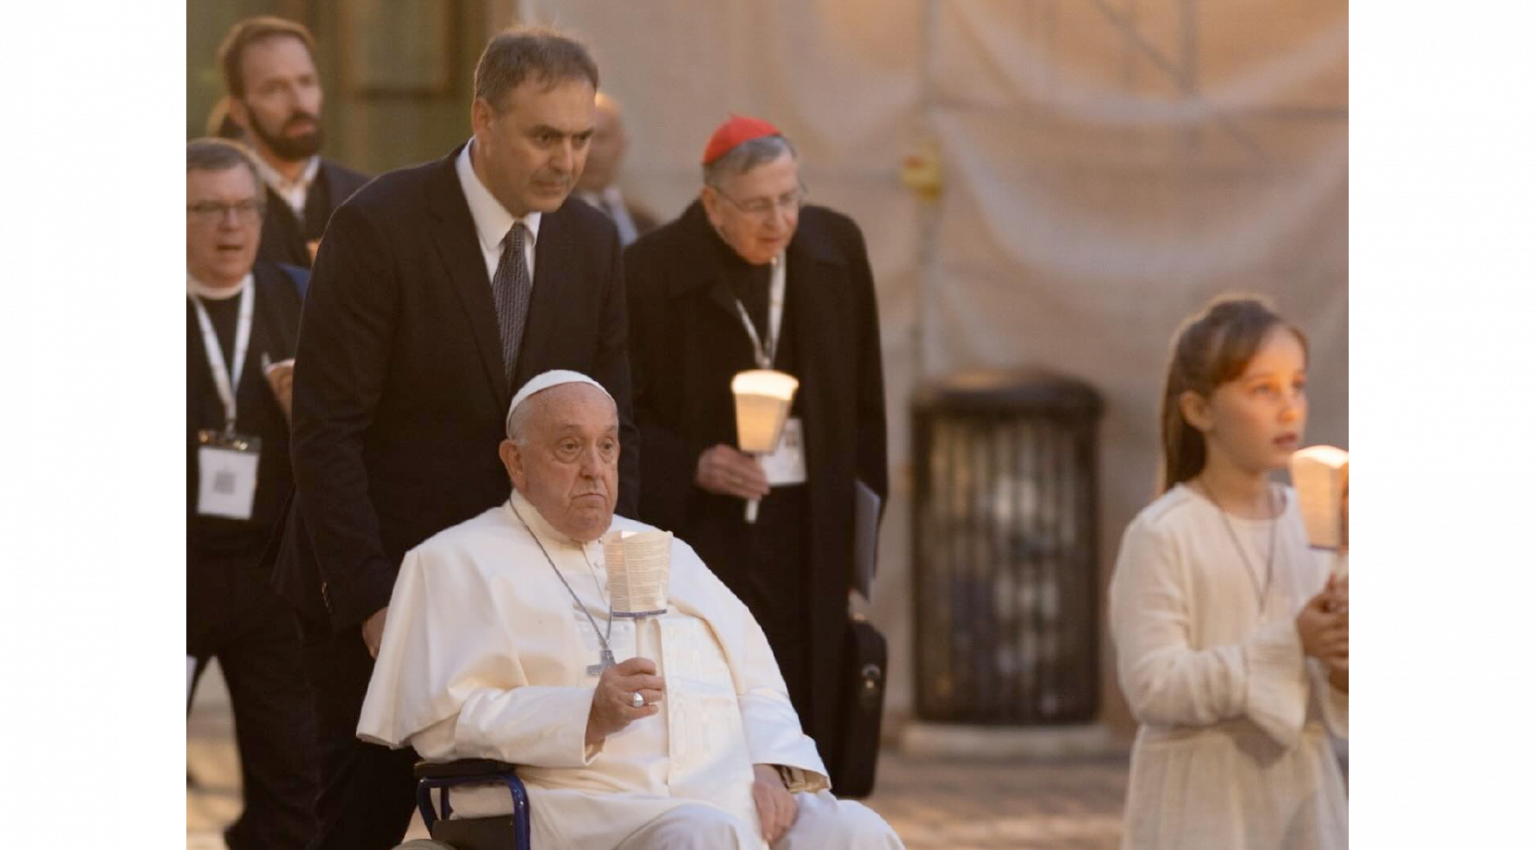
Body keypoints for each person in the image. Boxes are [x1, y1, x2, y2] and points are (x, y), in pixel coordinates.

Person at [269, 26, 640, 850]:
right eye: (544, 137)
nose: (566, 161)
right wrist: (372, 602)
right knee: (358, 826)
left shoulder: (591, 243)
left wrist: (611, 587)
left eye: (580, 139)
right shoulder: (378, 226)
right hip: (382, 592)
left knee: (516, 830)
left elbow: (616, 428)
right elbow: (326, 432)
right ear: (483, 118)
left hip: (528, 603)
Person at [360, 371, 903, 850]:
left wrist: (768, 765)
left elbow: (756, 677)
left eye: (607, 446)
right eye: (570, 447)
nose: (594, 470)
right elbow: (445, 723)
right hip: (583, 807)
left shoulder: (663, 550)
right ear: (515, 461)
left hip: (729, 794)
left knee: (858, 832)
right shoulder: (455, 561)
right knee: (704, 836)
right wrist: (584, 713)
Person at [624, 116, 887, 784]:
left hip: (812, 524)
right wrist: (692, 464)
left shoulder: (835, 247)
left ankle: (810, 810)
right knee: (720, 703)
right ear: (713, 204)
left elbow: (867, 404)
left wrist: (859, 546)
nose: (780, 221)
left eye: (790, 198)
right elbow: (623, 414)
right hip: (708, 532)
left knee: (811, 698)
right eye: (758, 206)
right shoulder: (651, 270)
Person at [1108, 295, 1349, 850]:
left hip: (1302, 798)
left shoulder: (1312, 524)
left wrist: (1339, 658)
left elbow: (1326, 694)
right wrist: (1292, 642)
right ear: (1199, 411)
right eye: (1263, 389)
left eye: (1297, 386)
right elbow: (1153, 685)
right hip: (1203, 805)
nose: (1289, 408)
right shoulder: (1163, 532)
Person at [184, 138, 315, 850]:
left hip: (273, 572)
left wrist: (308, 417)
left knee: (292, 773)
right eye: (208, 209)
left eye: (245, 208)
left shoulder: (301, 296)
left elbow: (357, 430)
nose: (231, 226)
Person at [217, 16, 369, 267]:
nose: (299, 103)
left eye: (306, 82)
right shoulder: (211, 211)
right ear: (239, 111)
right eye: (274, 88)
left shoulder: (367, 197)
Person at [574, 92, 659, 246]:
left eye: (601, 138)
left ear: (622, 144)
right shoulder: (546, 219)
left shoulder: (645, 222)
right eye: (581, 138)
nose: (591, 150)